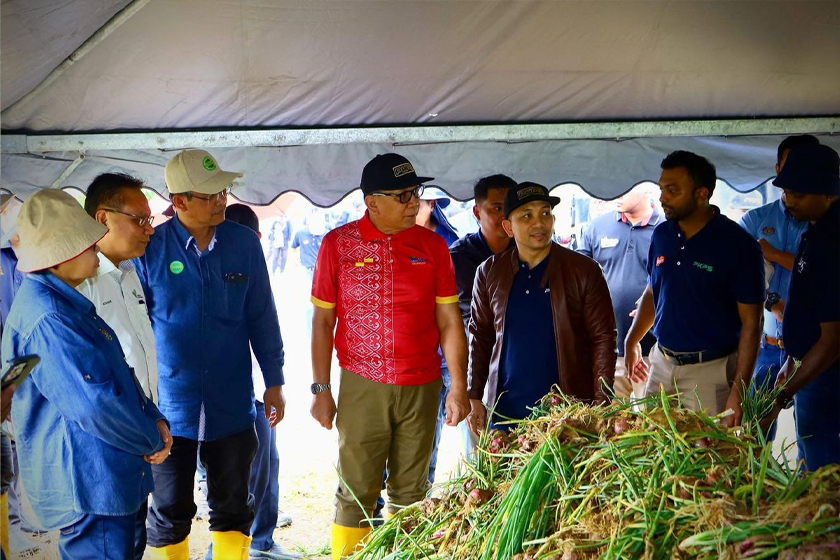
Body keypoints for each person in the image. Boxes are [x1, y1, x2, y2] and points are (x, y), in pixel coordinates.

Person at [309, 153, 469, 559]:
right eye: (403, 195)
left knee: (412, 492)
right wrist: (321, 389)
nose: (414, 202)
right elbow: (323, 323)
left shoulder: (433, 246)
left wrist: (459, 387)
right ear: (372, 201)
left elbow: (450, 321)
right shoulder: (338, 245)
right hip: (363, 384)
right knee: (356, 491)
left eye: (416, 192)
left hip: (423, 384)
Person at [1, 189, 171, 559]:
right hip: (92, 484)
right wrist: (152, 437)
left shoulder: (68, 302)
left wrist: (154, 419)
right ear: (60, 256)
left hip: (106, 476)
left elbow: (117, 371)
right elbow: (96, 404)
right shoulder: (50, 318)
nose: (97, 252)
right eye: (89, 247)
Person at [136, 150, 287, 560]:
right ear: (180, 202)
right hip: (170, 407)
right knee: (168, 510)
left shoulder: (243, 244)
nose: (222, 200)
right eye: (210, 195)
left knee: (234, 506)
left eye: (224, 191)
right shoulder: (150, 250)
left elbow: (262, 316)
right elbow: (134, 331)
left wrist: (275, 381)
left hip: (233, 403)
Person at [624, 151, 764, 426]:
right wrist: (632, 340)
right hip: (661, 366)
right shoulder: (662, 235)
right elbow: (653, 292)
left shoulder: (738, 245)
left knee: (707, 460)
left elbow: (753, 322)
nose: (663, 197)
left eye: (673, 190)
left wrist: (739, 389)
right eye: (662, 188)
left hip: (709, 373)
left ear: (702, 194)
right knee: (653, 450)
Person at [468, 182, 616, 431]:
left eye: (545, 213)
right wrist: (474, 394)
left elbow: (603, 338)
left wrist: (601, 404)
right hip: (505, 414)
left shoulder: (584, 271)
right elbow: (480, 336)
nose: (539, 223)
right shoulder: (490, 272)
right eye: (527, 215)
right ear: (508, 227)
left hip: (567, 414)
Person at [74, 173, 159, 559]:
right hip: (104, 450)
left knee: (130, 546)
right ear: (104, 218)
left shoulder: (129, 274)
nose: (149, 230)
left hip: (137, 441)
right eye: (140, 219)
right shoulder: (80, 284)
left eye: (150, 220)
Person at [224, 204, 298, 559]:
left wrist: (275, 384)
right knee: (246, 473)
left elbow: (268, 329)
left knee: (267, 463)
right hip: (236, 394)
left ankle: (261, 540)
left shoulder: (252, 267)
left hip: (257, 388)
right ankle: (250, 545)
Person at [763, 144, 840, 471]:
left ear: (828, 194)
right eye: (786, 192)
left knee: (822, 474)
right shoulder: (816, 228)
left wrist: (782, 398)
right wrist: (792, 361)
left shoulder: (833, 241)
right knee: (812, 462)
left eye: (798, 194)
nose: (788, 201)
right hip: (810, 369)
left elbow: (833, 340)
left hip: (827, 376)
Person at [738, 135, 819, 439]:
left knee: (812, 440)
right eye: (790, 167)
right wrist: (772, 301)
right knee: (754, 439)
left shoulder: (825, 224)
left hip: (815, 351)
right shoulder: (756, 220)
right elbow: (740, 277)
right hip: (767, 346)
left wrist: (771, 254)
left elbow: (817, 269)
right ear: (777, 169)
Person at [449, 174, 515, 452]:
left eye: (508, 207)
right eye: (495, 207)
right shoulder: (458, 258)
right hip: (476, 363)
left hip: (520, 363)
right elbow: (450, 320)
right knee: (482, 451)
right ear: (477, 212)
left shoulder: (531, 251)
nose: (503, 215)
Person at [576, 184, 662, 399]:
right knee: (608, 420)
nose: (616, 192)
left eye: (627, 186)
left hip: (653, 351)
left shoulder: (667, 231)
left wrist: (655, 307)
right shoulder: (596, 228)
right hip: (608, 349)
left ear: (646, 188)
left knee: (652, 422)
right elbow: (577, 283)